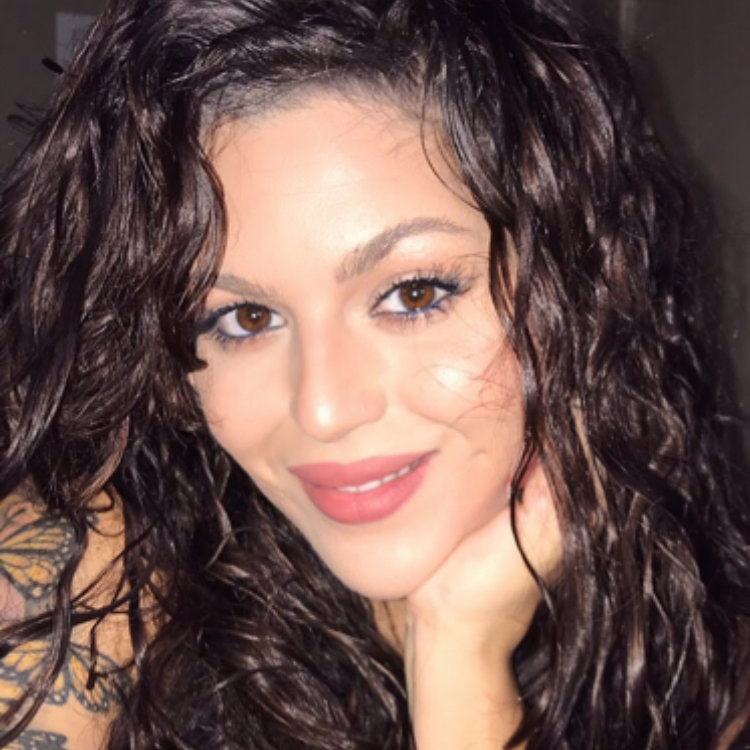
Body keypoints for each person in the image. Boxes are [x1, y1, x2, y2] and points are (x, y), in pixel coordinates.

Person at [0, 0, 748, 748]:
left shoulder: (699, 654)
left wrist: (457, 653)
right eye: (245, 319)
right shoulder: (80, 581)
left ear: (580, 288)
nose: (323, 409)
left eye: (414, 294)